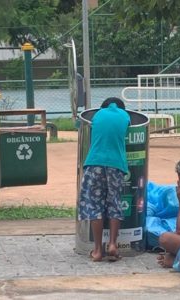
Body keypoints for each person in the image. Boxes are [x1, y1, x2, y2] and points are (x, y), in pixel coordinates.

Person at [78, 97, 131, 262]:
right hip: (116, 165)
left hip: (95, 163)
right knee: (114, 202)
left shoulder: (98, 115)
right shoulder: (125, 116)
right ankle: (113, 244)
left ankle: (98, 250)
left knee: (94, 204)